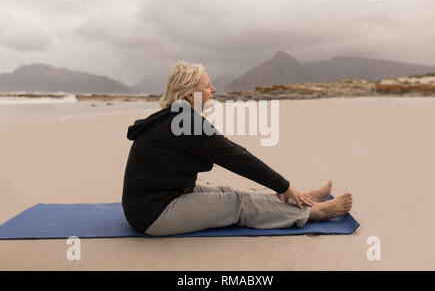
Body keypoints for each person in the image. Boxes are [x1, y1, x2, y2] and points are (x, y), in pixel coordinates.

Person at [122, 61, 353, 236]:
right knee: (238, 204)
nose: (213, 89)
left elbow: (225, 151)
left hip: (166, 196)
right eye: (207, 86)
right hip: (154, 213)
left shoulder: (174, 118)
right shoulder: (184, 122)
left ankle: (298, 200)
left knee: (229, 193)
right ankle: (314, 212)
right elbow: (236, 157)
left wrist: (284, 187)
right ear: (189, 94)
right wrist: (284, 184)